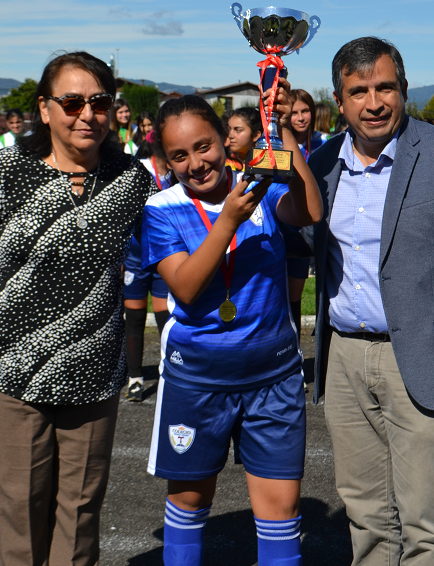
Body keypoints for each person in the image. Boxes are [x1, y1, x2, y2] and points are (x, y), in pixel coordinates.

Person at [0, 52, 155, 566]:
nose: (87, 114)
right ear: (44, 108)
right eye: (72, 102)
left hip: (94, 372)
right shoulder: (7, 169)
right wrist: (5, 298)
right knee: (21, 514)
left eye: (99, 102)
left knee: (79, 518)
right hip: (13, 373)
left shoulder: (130, 178)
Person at [308, 37, 434, 564]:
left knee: (425, 522)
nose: (374, 103)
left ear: (402, 88)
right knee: (367, 518)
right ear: (339, 100)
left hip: (424, 354)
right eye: (358, 92)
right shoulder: (322, 161)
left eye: (385, 88)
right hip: (344, 358)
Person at [142, 92, 322, 566]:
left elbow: (310, 212)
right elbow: (184, 287)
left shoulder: (258, 186)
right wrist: (226, 221)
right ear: (166, 160)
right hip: (197, 381)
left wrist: (286, 132)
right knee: (190, 503)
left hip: (274, 379)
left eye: (204, 147)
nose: (196, 163)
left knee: (281, 512)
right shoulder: (162, 208)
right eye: (179, 155)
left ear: (225, 140)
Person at [123, 131, 173, 403]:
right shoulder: (140, 168)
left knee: (165, 314)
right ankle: (135, 378)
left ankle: (168, 372)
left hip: (166, 254)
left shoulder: (179, 172)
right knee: (135, 315)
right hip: (136, 253)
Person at [286, 89, 330, 329]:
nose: (301, 117)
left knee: (296, 295)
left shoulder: (325, 142)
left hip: (312, 227)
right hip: (284, 225)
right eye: (294, 113)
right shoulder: (278, 143)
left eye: (306, 111)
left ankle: (299, 351)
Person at [224, 106, 261, 171]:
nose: (230, 135)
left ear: (255, 136)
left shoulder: (266, 163)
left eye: (238, 130)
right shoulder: (223, 162)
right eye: (229, 129)